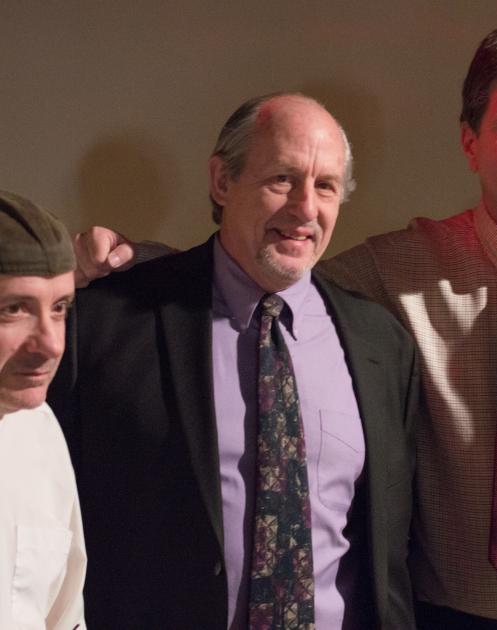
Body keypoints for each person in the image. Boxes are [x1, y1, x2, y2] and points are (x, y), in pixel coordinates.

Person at [79, 27, 497, 629]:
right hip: (448, 619)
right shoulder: (393, 269)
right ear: (471, 144)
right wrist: (137, 265)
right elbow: (270, 268)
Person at [49, 93, 420, 629]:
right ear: (222, 181)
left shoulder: (381, 345)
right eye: (282, 180)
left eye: (326, 186)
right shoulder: (110, 319)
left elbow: (387, 558)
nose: (305, 208)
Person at [0, 190, 86, 629]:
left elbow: (64, 612)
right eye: (15, 309)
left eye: (59, 308)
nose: (51, 343)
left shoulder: (40, 430)